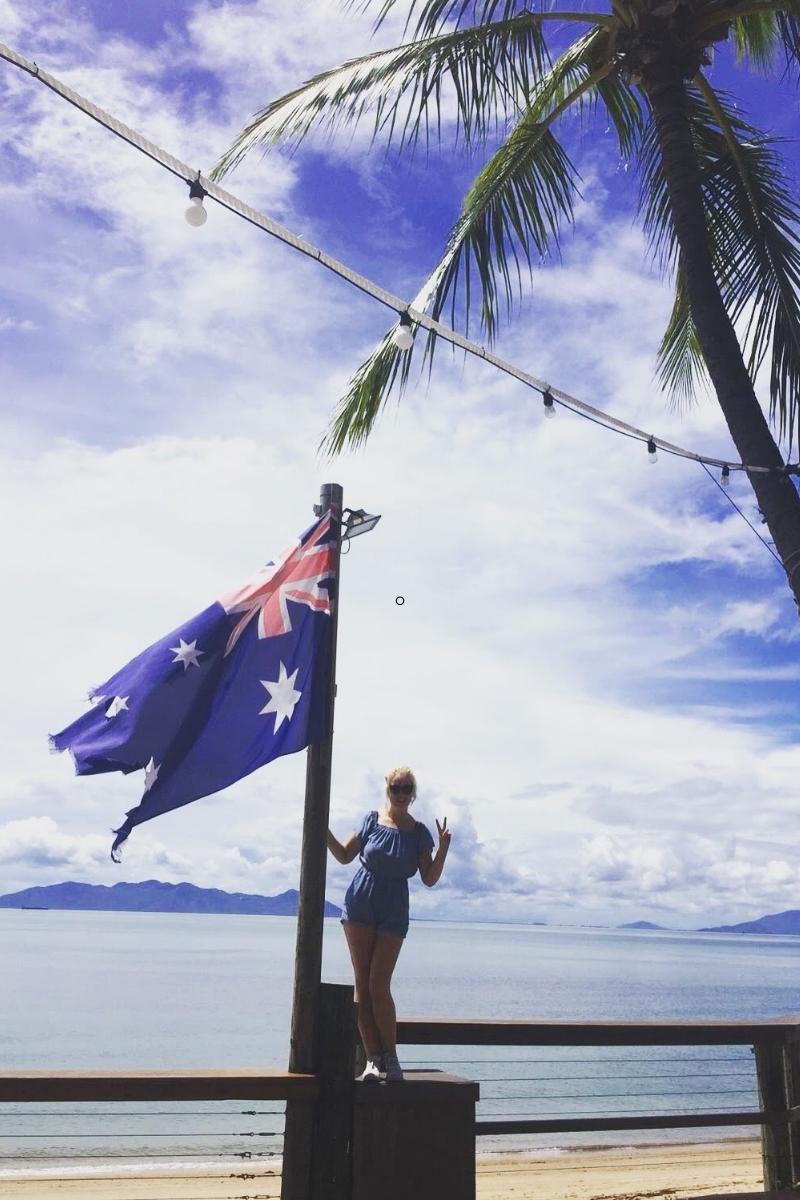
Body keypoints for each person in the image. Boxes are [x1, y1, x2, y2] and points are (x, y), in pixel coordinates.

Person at [326, 766, 451, 1082]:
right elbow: (343, 855)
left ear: (413, 793)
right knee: (362, 986)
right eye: (396, 787)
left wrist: (444, 847)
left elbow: (430, 878)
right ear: (387, 788)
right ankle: (372, 1060)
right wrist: (320, 828)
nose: (400, 793)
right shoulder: (370, 821)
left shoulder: (419, 832)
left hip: (394, 905)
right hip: (360, 900)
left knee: (378, 985)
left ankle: (391, 1059)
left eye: (406, 788)